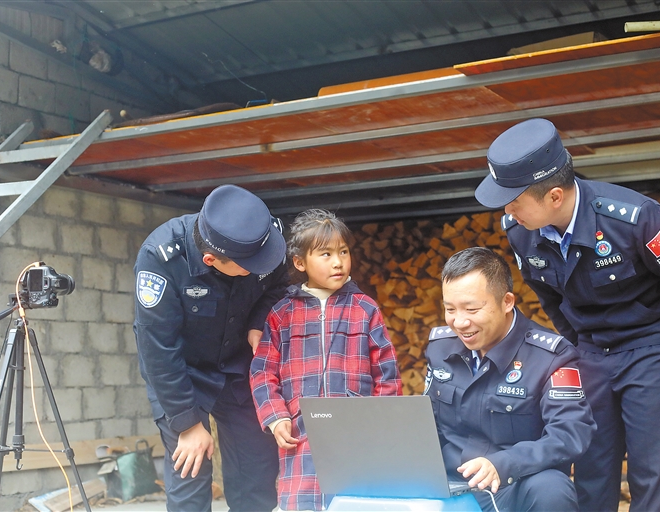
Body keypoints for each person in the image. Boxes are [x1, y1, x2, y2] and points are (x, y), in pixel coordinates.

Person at [473, 118, 660, 512]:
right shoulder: (520, 230)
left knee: (651, 474)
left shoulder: (634, 218)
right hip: (590, 352)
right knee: (592, 468)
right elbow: (548, 295)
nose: (508, 210)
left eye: (515, 200)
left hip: (653, 346)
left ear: (554, 196)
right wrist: (577, 346)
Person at [133, 184, 288, 512]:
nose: (262, 265)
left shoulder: (260, 237)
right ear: (211, 259)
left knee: (256, 474)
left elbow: (279, 284)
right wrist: (188, 424)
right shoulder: (161, 258)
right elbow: (158, 348)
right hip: (182, 374)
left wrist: (258, 321)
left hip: (239, 366)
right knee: (190, 472)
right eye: (251, 265)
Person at [250, 209, 403, 511]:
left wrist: (381, 423)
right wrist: (276, 416)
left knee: (357, 504)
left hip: (357, 435)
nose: (338, 262)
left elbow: (387, 373)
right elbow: (262, 372)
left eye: (343, 252)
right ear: (300, 262)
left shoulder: (364, 309)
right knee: (303, 503)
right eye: (326, 254)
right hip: (300, 434)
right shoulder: (282, 314)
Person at [425, 247, 595, 512]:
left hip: (513, 484)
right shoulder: (440, 348)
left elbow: (570, 432)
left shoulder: (551, 357)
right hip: (449, 483)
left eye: (472, 309)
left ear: (507, 302)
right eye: (450, 309)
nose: (459, 322)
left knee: (552, 489)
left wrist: (504, 464)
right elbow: (428, 425)